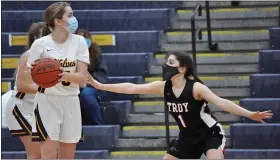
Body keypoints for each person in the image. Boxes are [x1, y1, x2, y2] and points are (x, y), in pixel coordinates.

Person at [86, 52, 273, 159]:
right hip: (186, 137)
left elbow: (222, 103)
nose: (165, 65)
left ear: (182, 68)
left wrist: (250, 114)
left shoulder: (196, 88)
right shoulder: (163, 87)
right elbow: (131, 87)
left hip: (210, 134)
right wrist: (100, 85)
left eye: (170, 62)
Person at [26, 2, 89, 159]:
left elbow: (82, 79)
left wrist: (62, 75)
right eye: (70, 15)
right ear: (57, 20)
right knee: (48, 156)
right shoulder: (40, 45)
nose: (74, 19)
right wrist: (36, 72)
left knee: (68, 157)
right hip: (47, 101)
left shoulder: (79, 42)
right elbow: (29, 79)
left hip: (71, 101)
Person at [5, 21, 45, 159]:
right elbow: (22, 86)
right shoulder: (29, 56)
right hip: (20, 107)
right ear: (36, 38)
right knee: (35, 153)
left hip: (35, 108)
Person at [76, 29, 108, 125]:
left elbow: (101, 77)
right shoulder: (69, 55)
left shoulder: (96, 54)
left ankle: (99, 126)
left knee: (86, 94)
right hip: (74, 87)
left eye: (85, 39)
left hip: (94, 87)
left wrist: (87, 83)